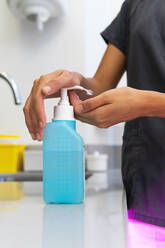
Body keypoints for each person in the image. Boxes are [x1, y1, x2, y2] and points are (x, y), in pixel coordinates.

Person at [23, 0, 165, 227]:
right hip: (147, 180)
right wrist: (74, 82)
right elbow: (99, 87)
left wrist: (146, 103)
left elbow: (140, 101)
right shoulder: (137, 4)